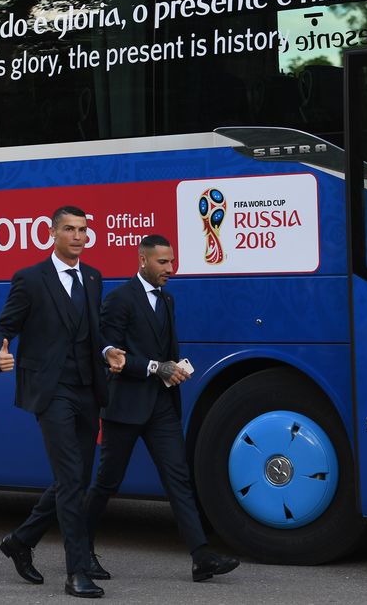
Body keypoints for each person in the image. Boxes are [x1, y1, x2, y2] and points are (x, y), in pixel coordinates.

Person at [0, 205, 125, 599]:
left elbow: (94, 333)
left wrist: (109, 351)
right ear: (52, 234)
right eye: (69, 229)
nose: (78, 236)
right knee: (70, 479)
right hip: (51, 392)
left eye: (83, 230)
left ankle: (20, 539)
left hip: (87, 390)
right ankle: (76, 571)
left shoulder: (94, 278)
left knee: (77, 478)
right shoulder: (30, 279)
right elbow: (3, 326)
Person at [84, 234, 239, 582]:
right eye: (163, 262)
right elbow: (111, 353)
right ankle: (81, 550)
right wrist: (157, 367)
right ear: (142, 260)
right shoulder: (119, 299)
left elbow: (162, 350)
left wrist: (173, 369)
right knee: (108, 482)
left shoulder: (167, 299)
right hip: (125, 408)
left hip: (161, 407)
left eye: (171, 261)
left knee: (178, 480)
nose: (171, 268)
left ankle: (201, 557)